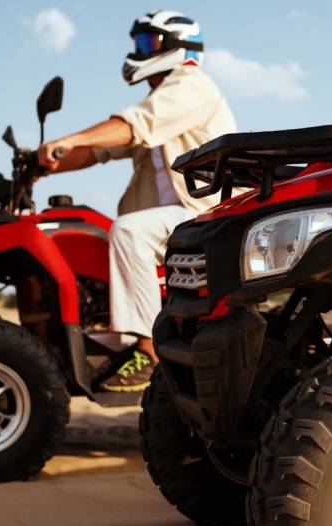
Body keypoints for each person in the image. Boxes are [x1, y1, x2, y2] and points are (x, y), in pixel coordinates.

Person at [38, 10, 237, 392]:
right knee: (100, 234)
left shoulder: (191, 85)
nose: (140, 52)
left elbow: (133, 126)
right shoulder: (162, 99)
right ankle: (107, 336)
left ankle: (148, 350)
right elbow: (101, 151)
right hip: (179, 219)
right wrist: (47, 163)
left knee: (128, 231)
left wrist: (68, 141)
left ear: (175, 46)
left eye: (148, 44)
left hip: (206, 215)